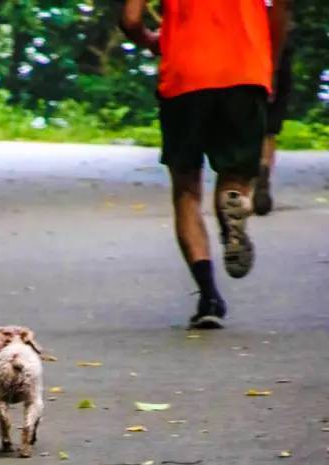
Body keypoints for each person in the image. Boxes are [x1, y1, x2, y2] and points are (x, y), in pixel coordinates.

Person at [121, 0, 289, 329]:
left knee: (186, 190)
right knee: (235, 178)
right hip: (245, 72)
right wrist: (271, 65)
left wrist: (151, 40)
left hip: (186, 76)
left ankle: (209, 295)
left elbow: (130, 20)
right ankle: (233, 212)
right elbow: (280, 11)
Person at [254, 16, 294, 216]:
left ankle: (247, 180)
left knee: (246, 120)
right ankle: (263, 168)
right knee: (269, 129)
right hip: (278, 45)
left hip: (247, 45)